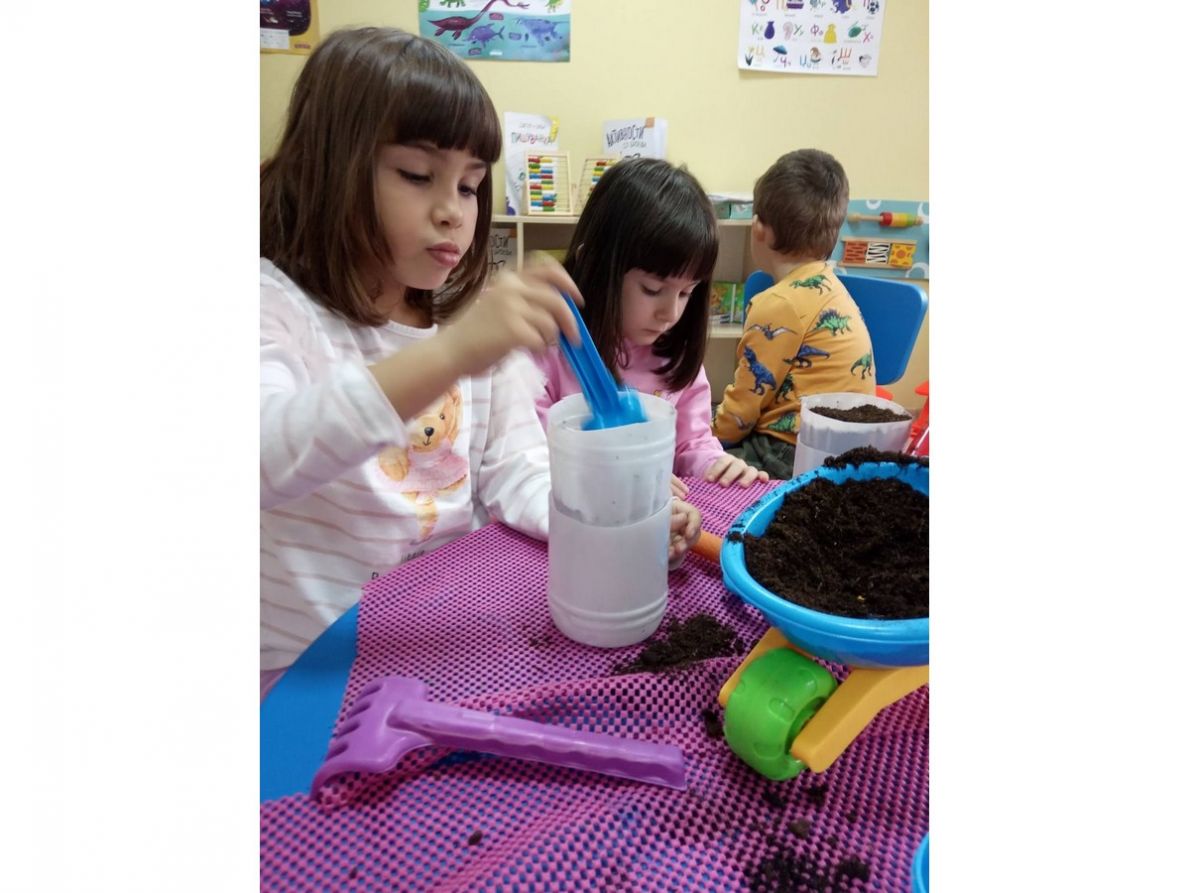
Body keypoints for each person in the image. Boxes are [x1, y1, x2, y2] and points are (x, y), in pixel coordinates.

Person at [260, 28, 701, 696]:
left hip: (436, 636)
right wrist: (449, 355)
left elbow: (516, 467)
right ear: (326, 166)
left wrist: (606, 520)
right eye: (418, 176)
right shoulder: (273, 306)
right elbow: (264, 456)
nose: (452, 212)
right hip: (304, 671)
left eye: (469, 186)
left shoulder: (466, 328)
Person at [530, 157, 768, 496]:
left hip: (654, 519)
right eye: (652, 290)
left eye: (686, 292)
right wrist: (622, 476)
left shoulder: (675, 356)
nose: (670, 313)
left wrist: (714, 464)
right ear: (594, 264)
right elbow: (532, 461)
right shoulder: (547, 350)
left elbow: (691, 443)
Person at [710, 148, 875, 479]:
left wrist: (707, 437)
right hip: (846, 448)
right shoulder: (828, 284)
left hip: (793, 450)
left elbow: (742, 411)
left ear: (759, 229)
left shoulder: (779, 303)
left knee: (696, 465)